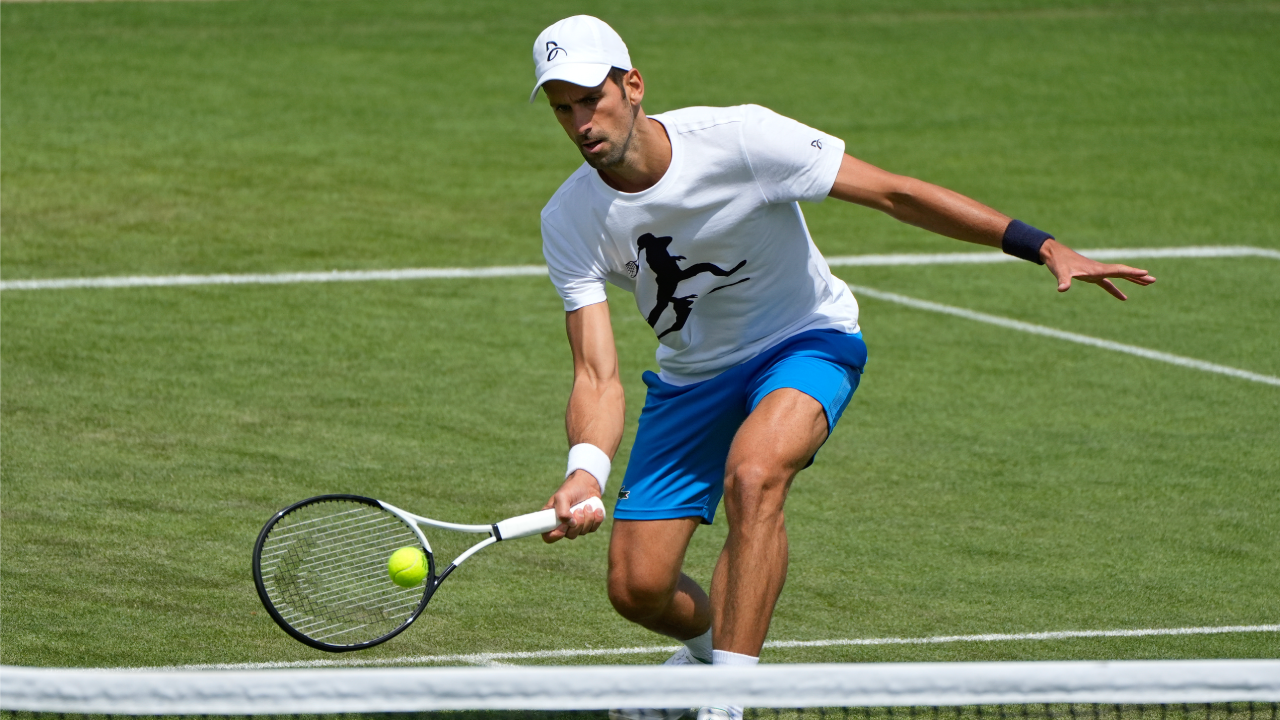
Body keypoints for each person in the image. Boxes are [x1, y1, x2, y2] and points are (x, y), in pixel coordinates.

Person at [528, 15, 1155, 720]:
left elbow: (895, 193)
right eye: (562, 107)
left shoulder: (740, 139)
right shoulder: (569, 219)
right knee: (637, 588)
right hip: (693, 377)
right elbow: (597, 374)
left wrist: (1043, 247)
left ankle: (727, 703)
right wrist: (587, 467)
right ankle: (707, 662)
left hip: (806, 340)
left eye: (591, 98)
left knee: (755, 472)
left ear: (633, 86)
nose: (581, 121)